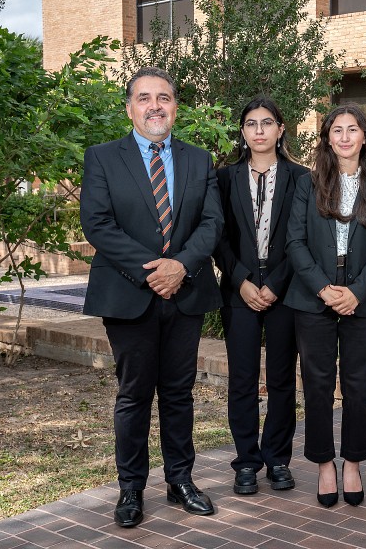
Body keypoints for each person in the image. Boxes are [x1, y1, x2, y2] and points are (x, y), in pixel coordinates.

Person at [80, 66, 223, 528]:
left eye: (163, 97)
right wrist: (154, 271)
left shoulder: (200, 160)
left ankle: (180, 480)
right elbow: (98, 224)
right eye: (144, 98)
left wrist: (180, 266)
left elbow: (211, 223)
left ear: (175, 106)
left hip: (185, 291)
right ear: (130, 107)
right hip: (128, 293)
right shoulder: (102, 157)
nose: (155, 106)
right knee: (134, 394)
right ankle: (130, 489)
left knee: (179, 393)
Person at [284, 104, 366, 508]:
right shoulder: (308, 183)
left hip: (363, 299)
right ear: (327, 138)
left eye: (353, 130)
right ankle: (324, 464)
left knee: (357, 385)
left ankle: (352, 462)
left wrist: (356, 292)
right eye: (337, 130)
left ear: (365, 136)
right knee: (316, 385)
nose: (345, 137)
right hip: (313, 297)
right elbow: (294, 241)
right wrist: (323, 289)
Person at [212, 97, 308, 495]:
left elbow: (300, 237)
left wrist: (277, 283)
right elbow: (215, 236)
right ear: (243, 131)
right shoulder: (224, 177)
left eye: (267, 123)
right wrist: (241, 281)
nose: (259, 131)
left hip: (286, 291)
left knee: (283, 379)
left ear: (281, 129)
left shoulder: (301, 177)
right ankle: (247, 461)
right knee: (243, 379)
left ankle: (278, 459)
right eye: (251, 124)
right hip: (240, 291)